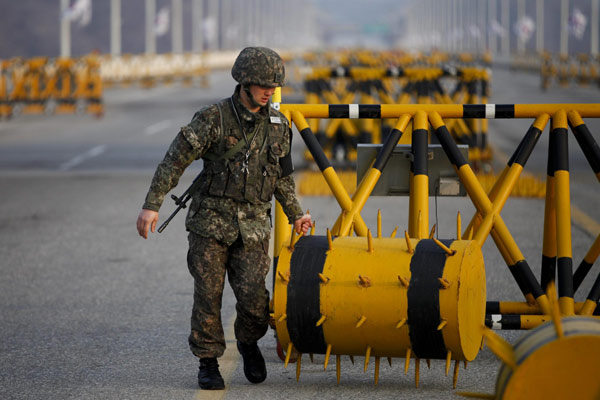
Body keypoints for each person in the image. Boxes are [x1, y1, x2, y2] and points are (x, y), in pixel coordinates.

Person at [136, 47, 311, 390]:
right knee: (208, 294)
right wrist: (152, 204)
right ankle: (207, 362)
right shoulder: (213, 118)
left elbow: (282, 178)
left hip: (254, 226)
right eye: (262, 85)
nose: (269, 91)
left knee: (255, 302)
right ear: (244, 82)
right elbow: (175, 161)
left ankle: (248, 342)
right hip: (210, 224)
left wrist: (296, 214)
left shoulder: (278, 126)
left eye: (273, 86)